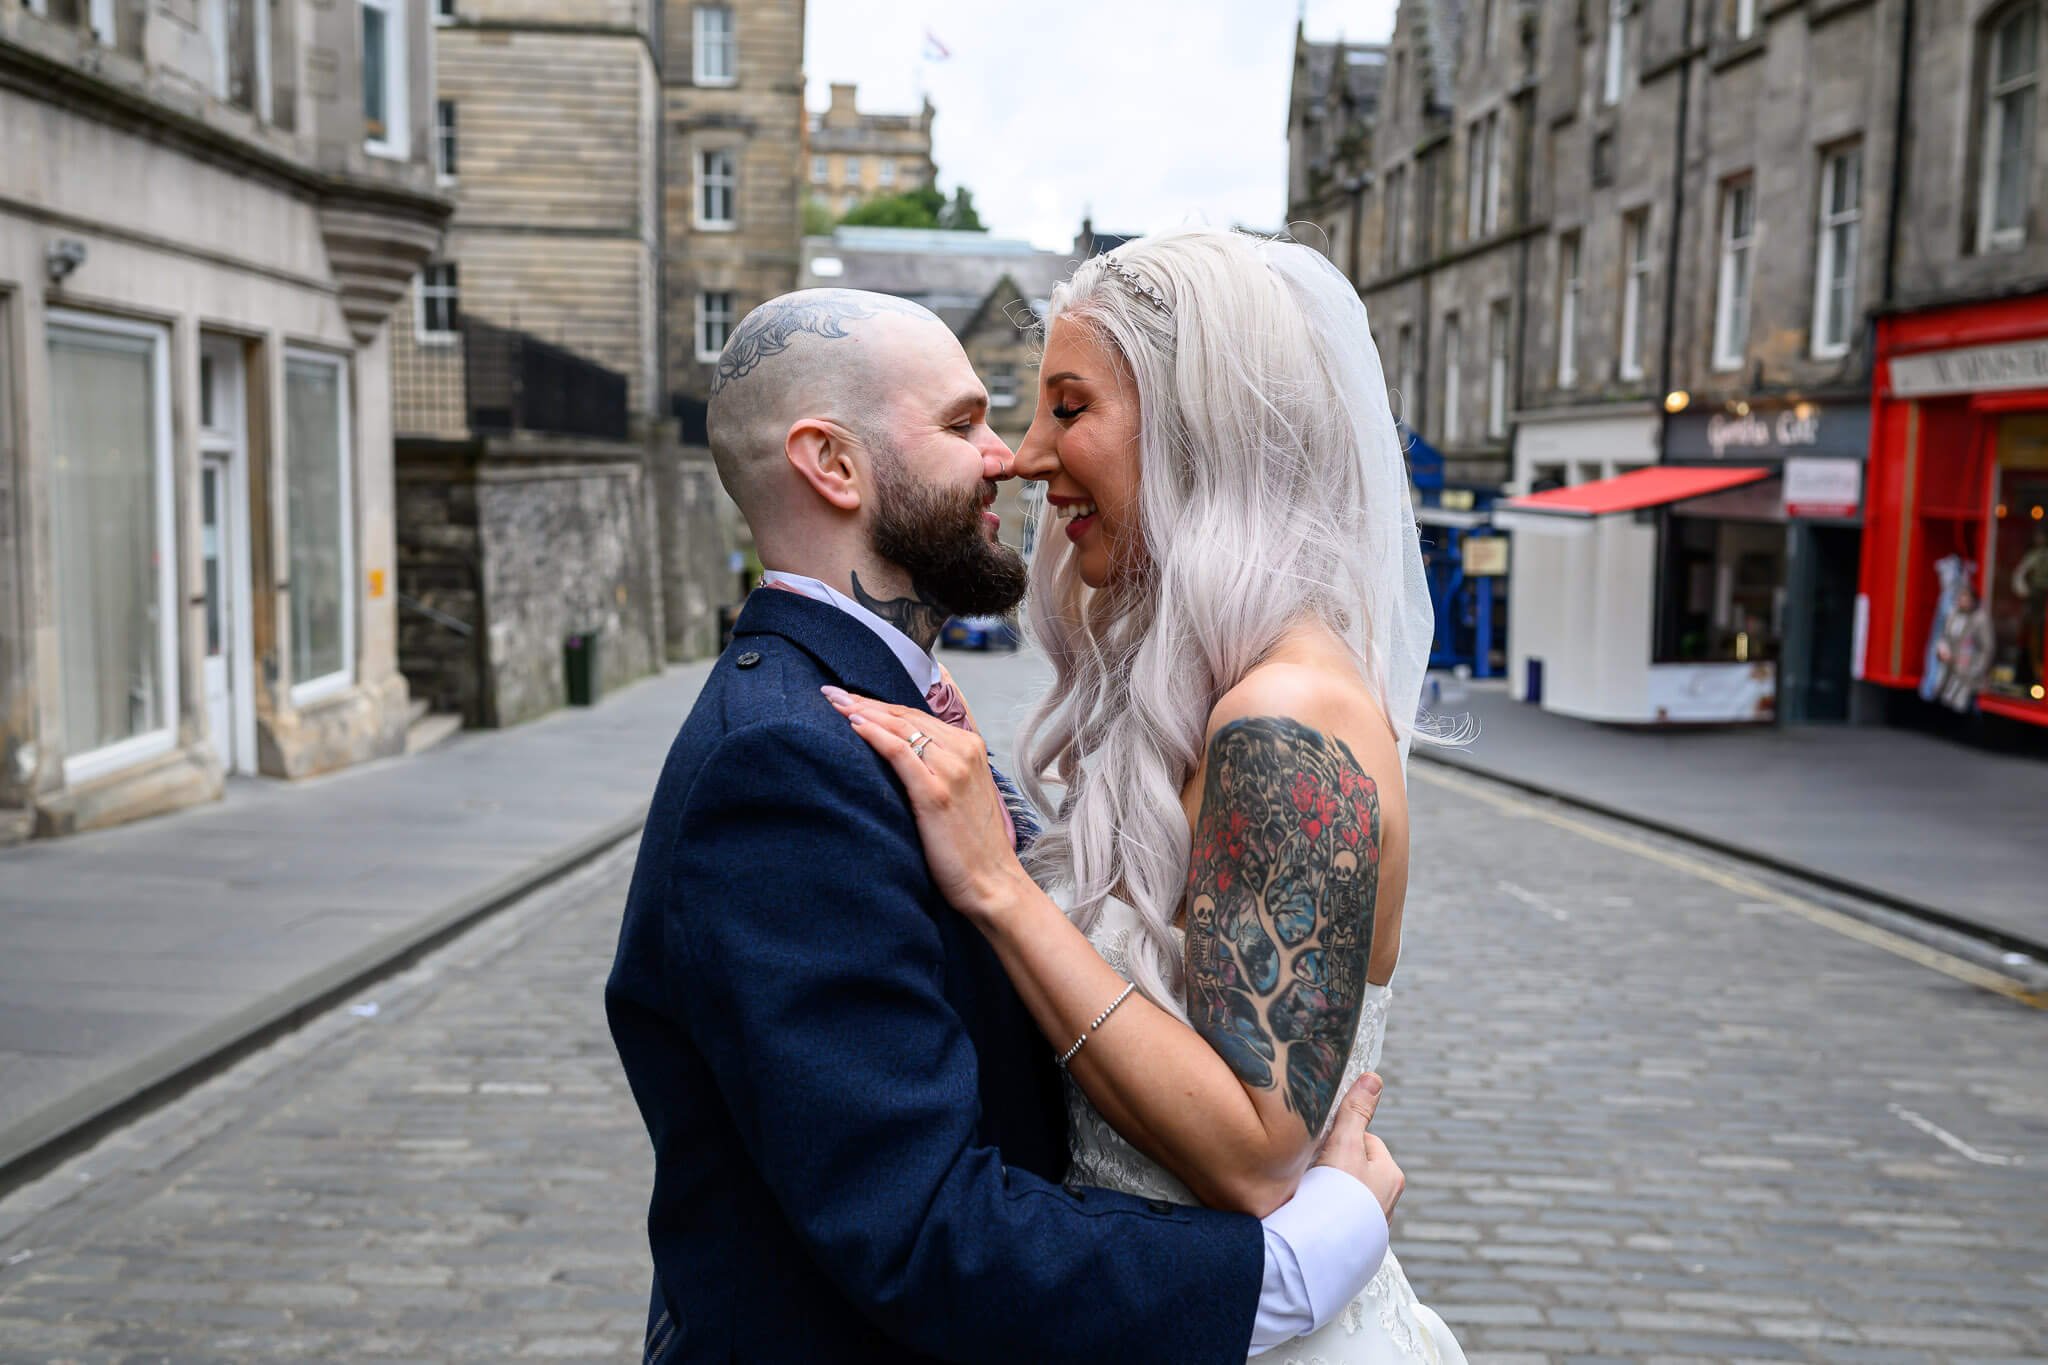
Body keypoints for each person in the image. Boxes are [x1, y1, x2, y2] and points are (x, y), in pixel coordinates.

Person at [606, 287, 1406, 1364]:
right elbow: (921, 1226)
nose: (1011, 458)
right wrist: (1291, 1267)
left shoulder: (883, 714)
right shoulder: (784, 759)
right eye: (962, 423)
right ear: (831, 465)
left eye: (1049, 413)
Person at [831, 229, 1466, 1363]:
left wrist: (997, 887)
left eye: (1067, 410)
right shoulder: (1220, 694)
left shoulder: (1285, 720)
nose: (1024, 459)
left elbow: (1257, 1149)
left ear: (1193, 430)